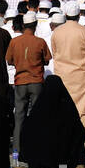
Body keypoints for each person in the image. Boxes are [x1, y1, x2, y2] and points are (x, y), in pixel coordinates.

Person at [51, 2, 85, 151]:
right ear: (79, 15)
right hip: (82, 76)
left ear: (65, 15)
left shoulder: (57, 32)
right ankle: (84, 145)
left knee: (63, 110)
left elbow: (55, 52)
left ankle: (63, 142)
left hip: (63, 77)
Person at [6, 15, 51, 156]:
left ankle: (17, 150)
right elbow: (47, 59)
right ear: (35, 25)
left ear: (23, 26)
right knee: (38, 116)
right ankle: (37, 147)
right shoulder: (40, 42)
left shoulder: (15, 41)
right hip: (36, 82)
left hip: (20, 82)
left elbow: (9, 60)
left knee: (19, 116)